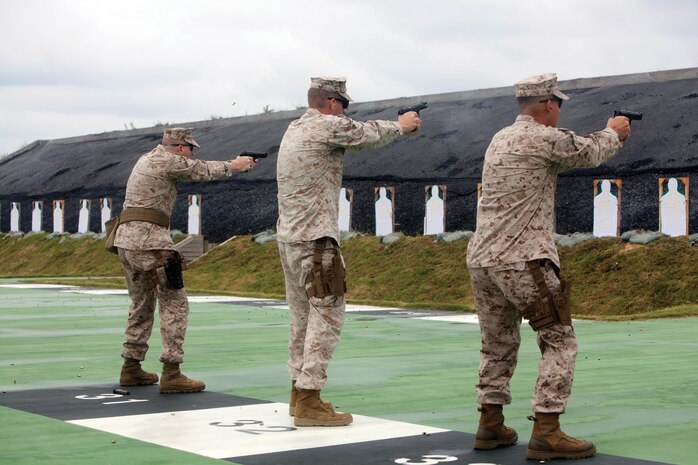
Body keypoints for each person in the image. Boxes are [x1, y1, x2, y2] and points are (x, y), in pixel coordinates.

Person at [466, 73, 631, 460]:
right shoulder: (543, 138)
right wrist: (614, 132)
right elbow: (588, 151)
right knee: (560, 339)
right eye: (557, 105)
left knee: (497, 342)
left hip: (482, 259)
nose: (558, 111)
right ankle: (547, 429)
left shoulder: (499, 138)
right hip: (524, 259)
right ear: (548, 105)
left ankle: (490, 422)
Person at [276, 76, 420, 426]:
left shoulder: (294, 129)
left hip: (290, 239)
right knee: (327, 316)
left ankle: (298, 393)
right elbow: (364, 134)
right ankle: (310, 399)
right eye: (343, 106)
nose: (344, 113)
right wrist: (401, 126)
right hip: (315, 242)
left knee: (302, 319)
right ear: (331, 103)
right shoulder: (325, 126)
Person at [114, 128, 256, 393]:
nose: (191, 155)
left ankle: (131, 367)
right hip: (149, 241)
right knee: (175, 304)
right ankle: (172, 372)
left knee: (142, 303)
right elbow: (199, 170)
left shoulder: (147, 158)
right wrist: (234, 166)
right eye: (190, 149)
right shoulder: (166, 160)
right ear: (180, 148)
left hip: (126, 240)